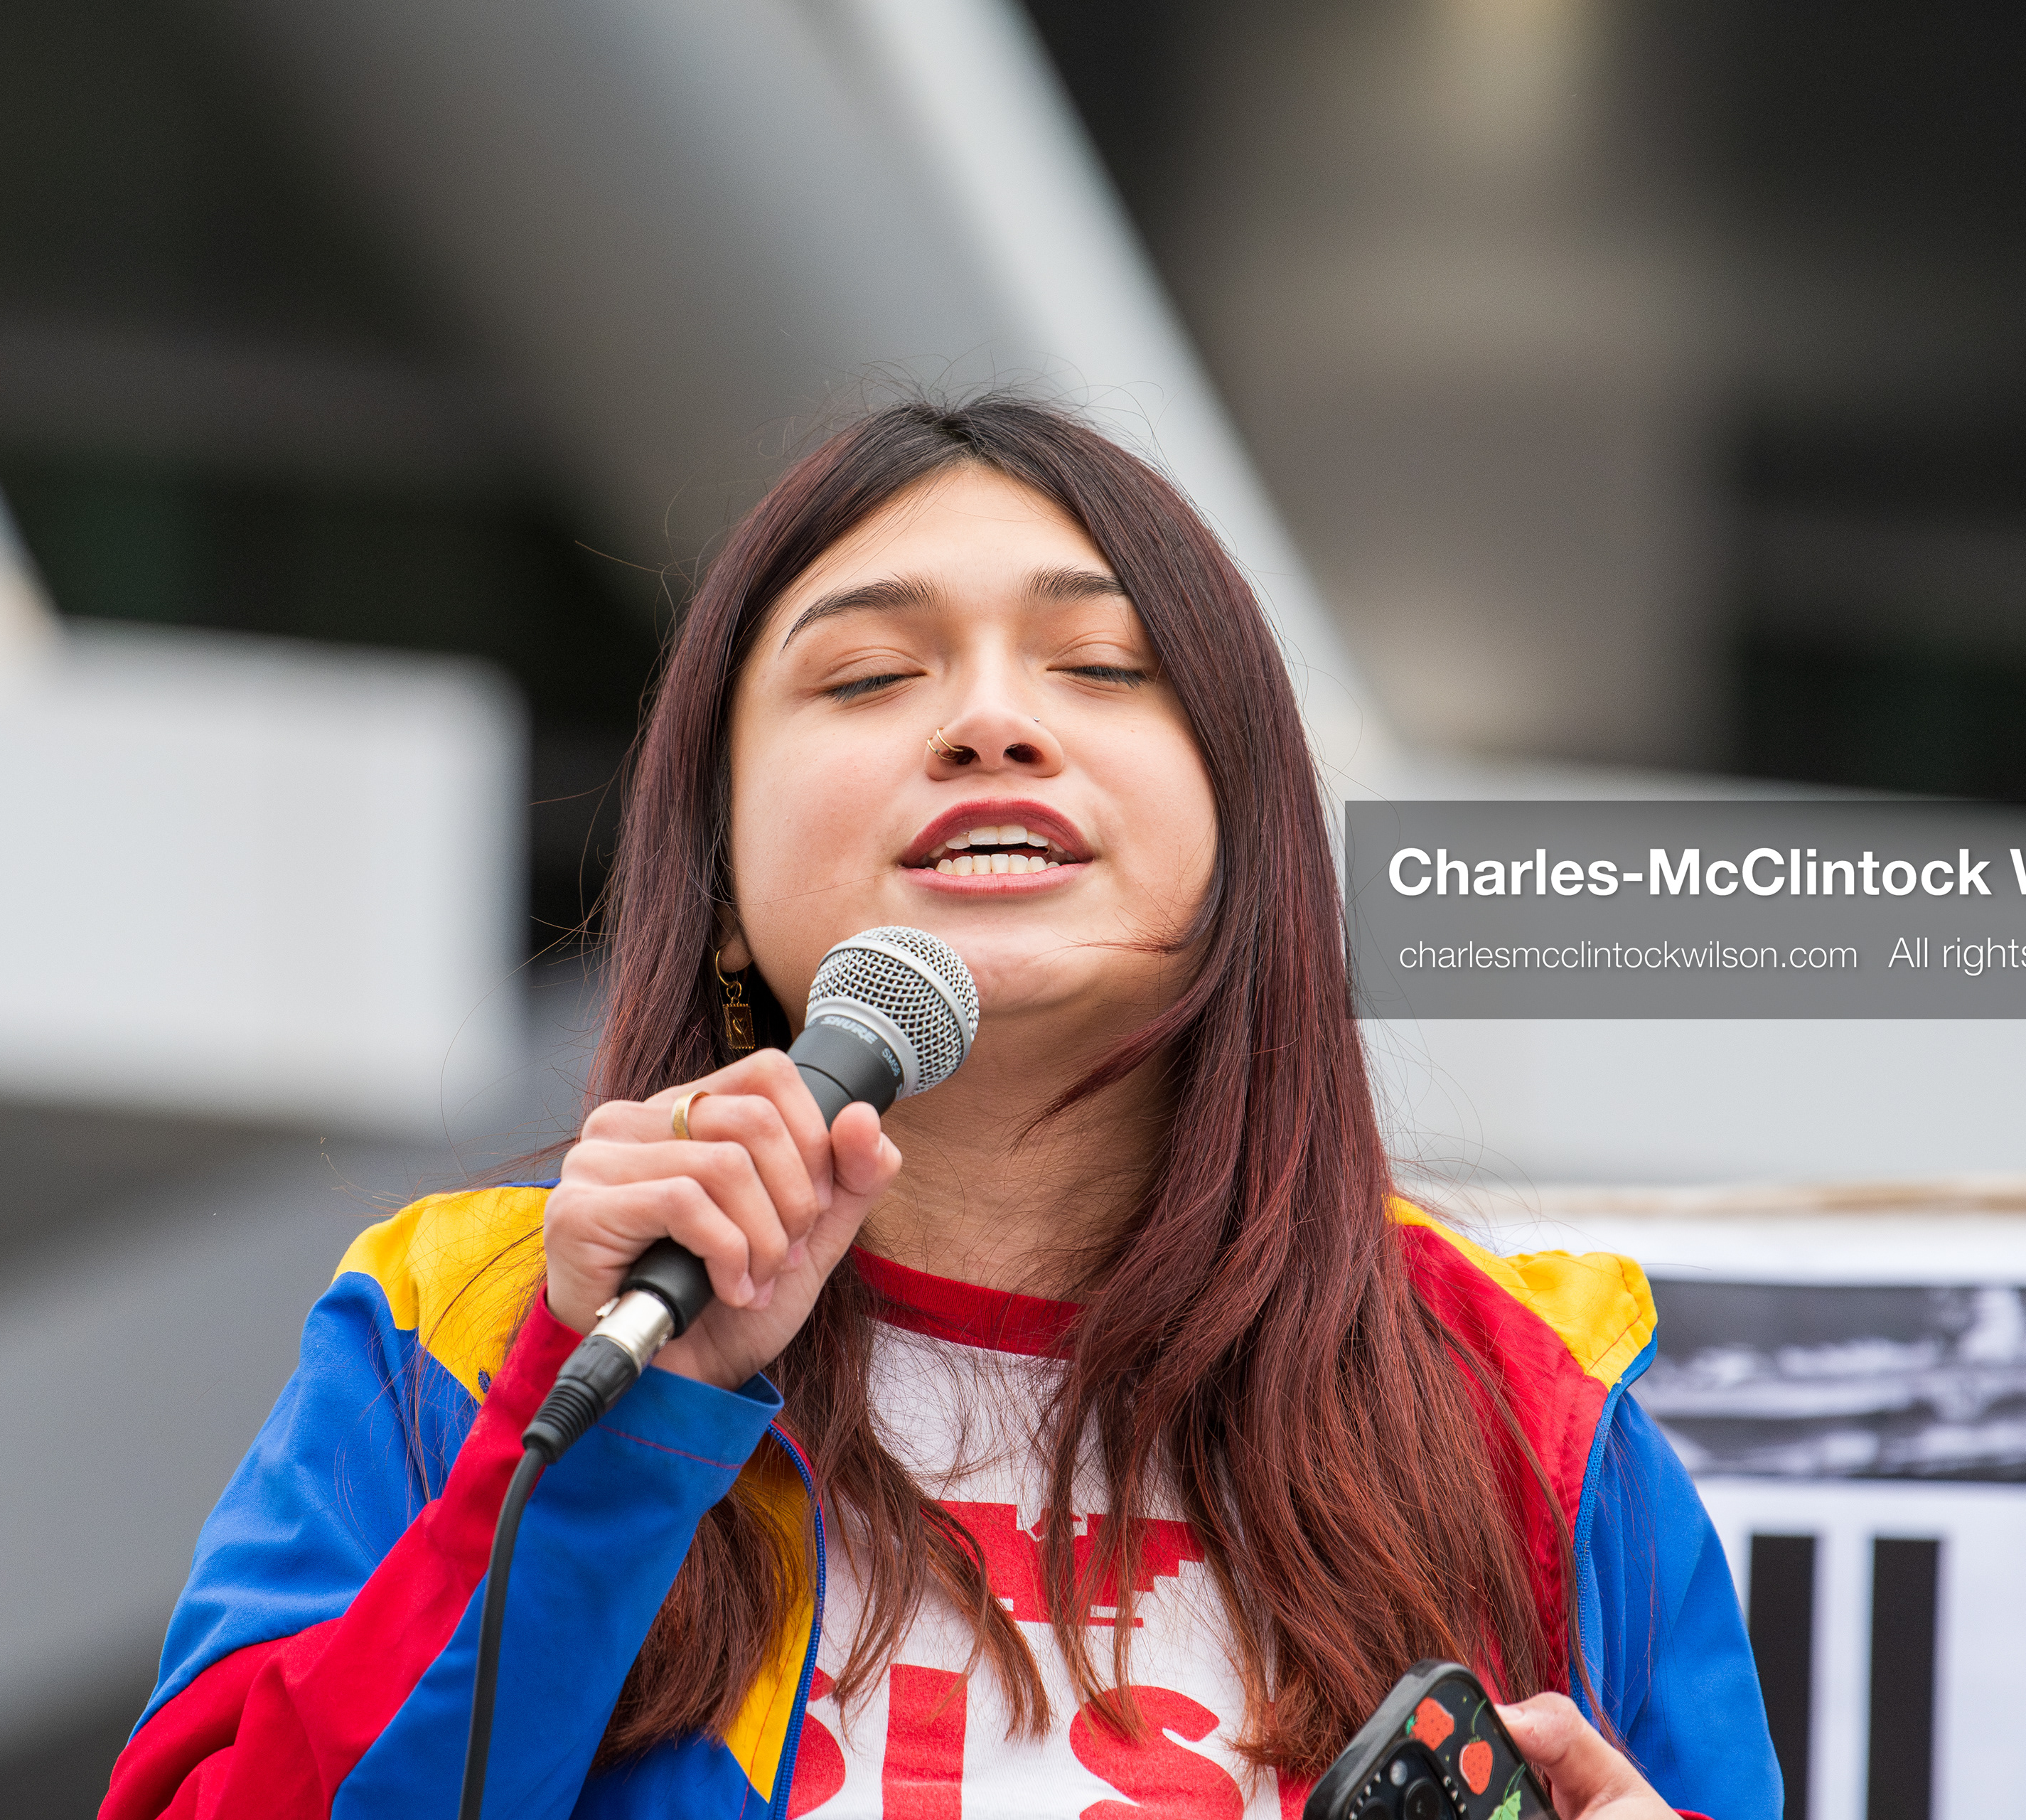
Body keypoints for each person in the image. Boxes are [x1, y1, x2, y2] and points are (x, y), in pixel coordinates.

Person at [99, 397, 1779, 1820]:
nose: (991, 720)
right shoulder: (468, 1323)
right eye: (867, 678)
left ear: (1251, 844)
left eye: (1107, 666)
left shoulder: (1523, 1406)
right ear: (727, 882)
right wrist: (621, 1409)